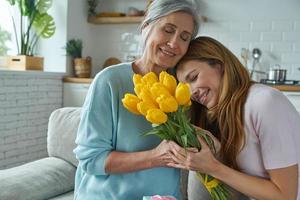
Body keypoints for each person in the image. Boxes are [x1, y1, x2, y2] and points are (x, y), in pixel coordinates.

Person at [73, 0, 200, 199]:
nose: (174, 43)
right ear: (145, 27)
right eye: (168, 30)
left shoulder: (183, 89)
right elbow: (91, 160)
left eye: (185, 37)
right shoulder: (110, 81)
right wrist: (156, 157)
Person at [170, 36, 300, 200]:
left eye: (194, 77)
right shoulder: (223, 111)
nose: (191, 92)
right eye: (185, 86)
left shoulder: (264, 102)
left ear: (219, 66)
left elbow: (285, 196)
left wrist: (213, 167)